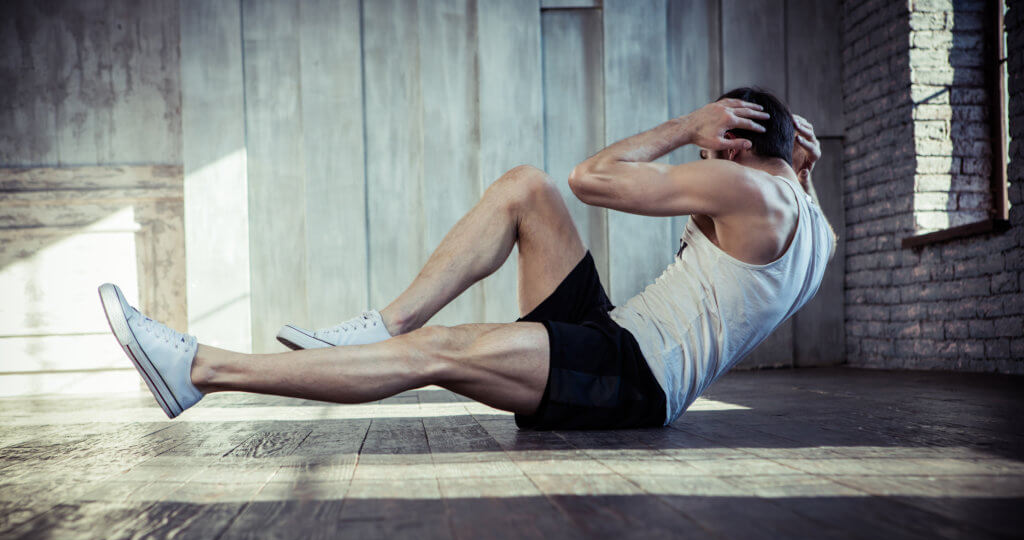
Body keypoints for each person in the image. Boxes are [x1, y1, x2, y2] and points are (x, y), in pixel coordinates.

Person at [99, 87, 836, 429]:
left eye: (713, 142)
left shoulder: (742, 185)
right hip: (617, 337)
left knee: (441, 351)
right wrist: (801, 160)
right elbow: (790, 175)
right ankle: (378, 324)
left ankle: (201, 369)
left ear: (736, 146)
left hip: (630, 378)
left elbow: (595, 177)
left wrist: (685, 125)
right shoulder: (808, 217)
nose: (703, 152)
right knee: (526, 188)